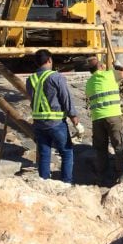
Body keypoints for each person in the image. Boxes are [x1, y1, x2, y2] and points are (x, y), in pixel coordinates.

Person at [26, 49, 82, 184]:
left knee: (44, 154)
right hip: (56, 123)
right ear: (49, 60)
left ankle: (44, 184)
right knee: (66, 153)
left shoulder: (30, 79)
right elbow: (66, 98)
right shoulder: (56, 77)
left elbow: (32, 100)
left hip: (39, 123)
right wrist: (74, 119)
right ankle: (66, 184)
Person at [85, 56, 123, 185]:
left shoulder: (89, 83)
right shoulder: (111, 74)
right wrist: (118, 65)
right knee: (119, 145)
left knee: (101, 149)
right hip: (113, 116)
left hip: (97, 119)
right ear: (101, 66)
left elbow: (89, 95)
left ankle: (102, 176)